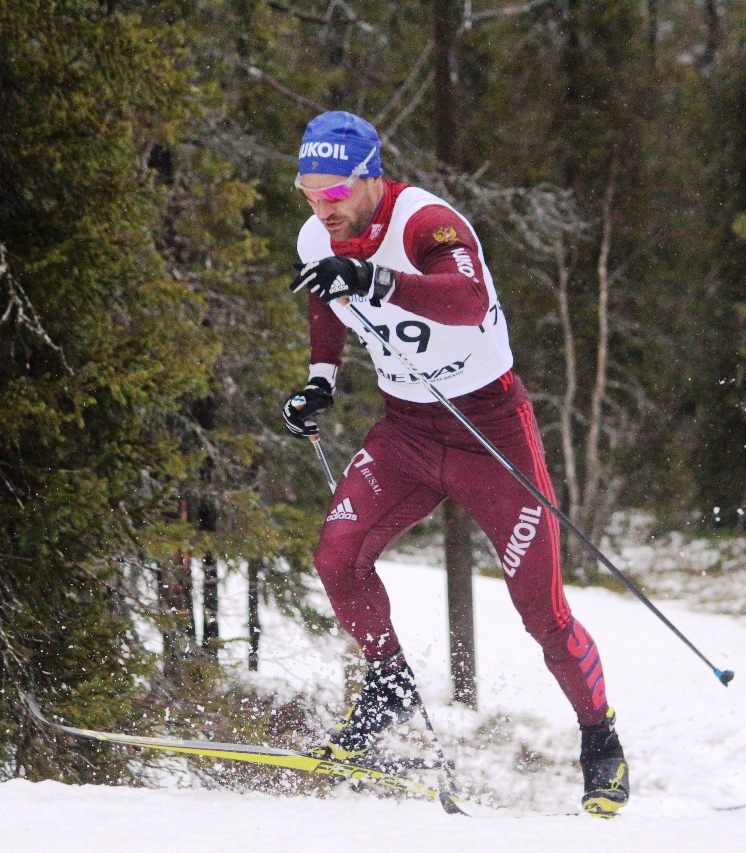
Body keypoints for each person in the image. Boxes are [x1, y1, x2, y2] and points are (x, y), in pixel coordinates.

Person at [282, 110, 629, 818]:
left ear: (371, 177)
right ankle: (387, 684)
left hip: (491, 430)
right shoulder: (320, 232)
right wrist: (321, 378)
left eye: (337, 189)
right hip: (406, 430)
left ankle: (601, 744)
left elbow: (466, 301)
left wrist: (377, 279)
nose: (325, 204)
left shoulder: (426, 223)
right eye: (310, 189)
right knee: (336, 557)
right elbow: (327, 298)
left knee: (541, 609)